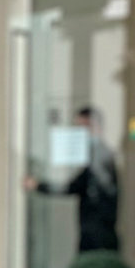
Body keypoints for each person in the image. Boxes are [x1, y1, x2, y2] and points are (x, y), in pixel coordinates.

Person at [26, 105, 120, 254]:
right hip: (94, 231)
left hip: (98, 233)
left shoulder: (99, 156)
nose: (79, 134)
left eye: (83, 128)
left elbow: (76, 186)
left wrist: (39, 186)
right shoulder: (94, 155)